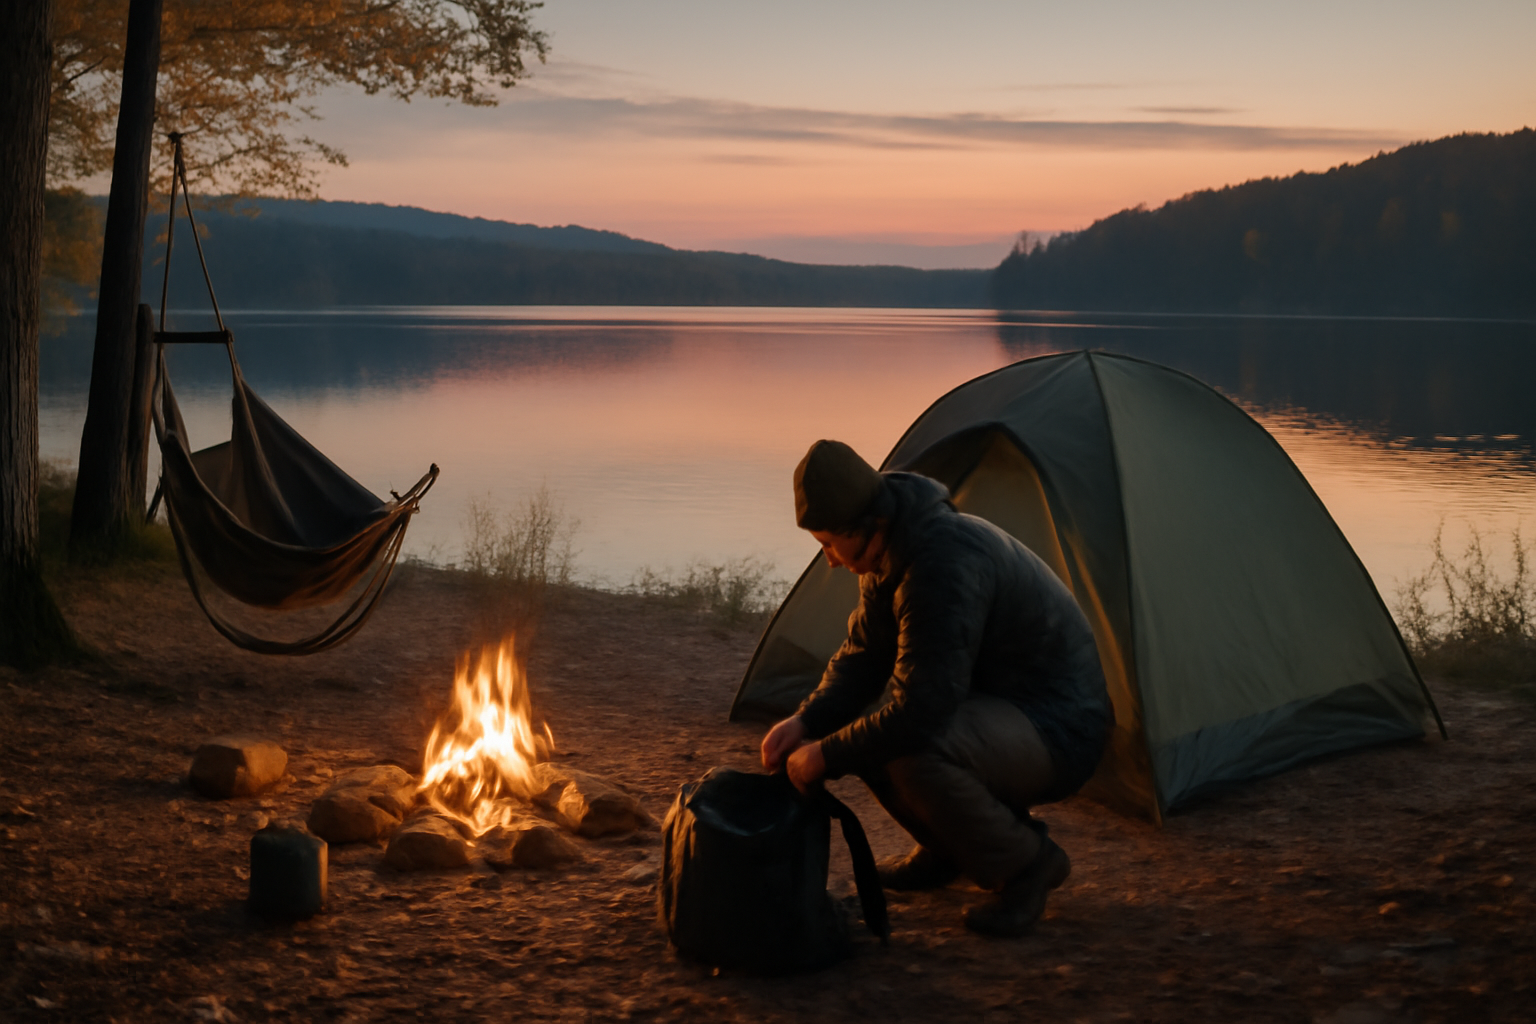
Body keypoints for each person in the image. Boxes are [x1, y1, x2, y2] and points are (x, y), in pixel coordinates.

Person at [761, 439, 1113, 937]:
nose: (832, 561)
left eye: (829, 544)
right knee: (863, 738)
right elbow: (864, 656)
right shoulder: (892, 550)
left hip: (1059, 726)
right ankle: (949, 851)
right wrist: (807, 721)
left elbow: (922, 710)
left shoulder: (941, 563)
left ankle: (1027, 865)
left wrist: (824, 755)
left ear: (870, 524)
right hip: (999, 710)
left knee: (909, 748)